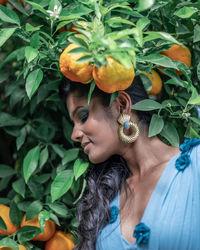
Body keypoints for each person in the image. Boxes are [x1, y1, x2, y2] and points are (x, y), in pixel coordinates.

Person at [59, 76, 200, 250]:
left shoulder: (195, 165)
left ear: (122, 106)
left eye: (83, 116)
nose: (74, 135)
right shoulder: (104, 197)